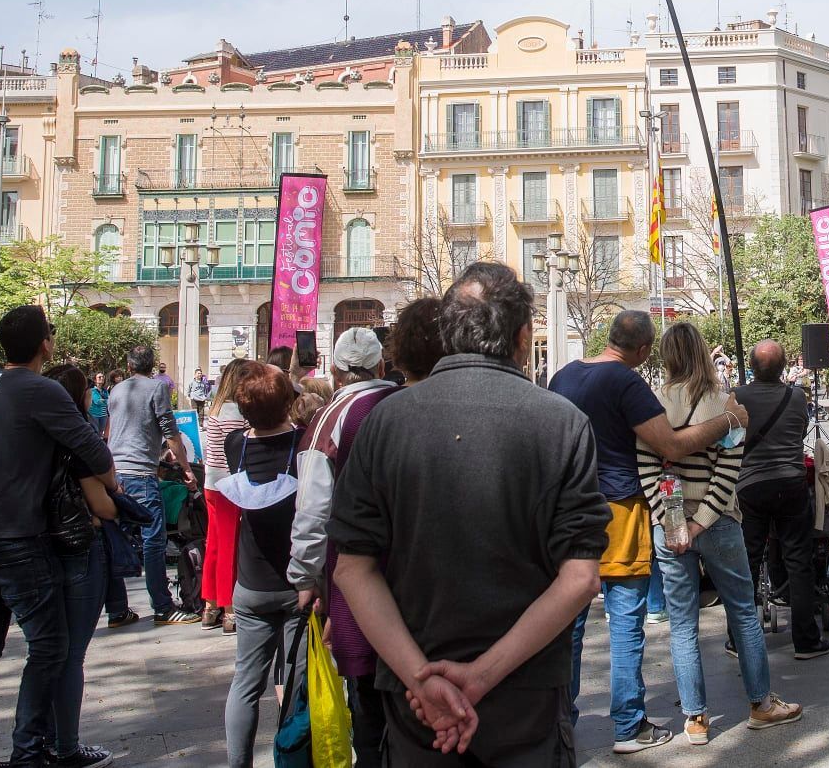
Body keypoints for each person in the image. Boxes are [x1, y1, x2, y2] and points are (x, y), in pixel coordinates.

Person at [331, 262, 611, 766]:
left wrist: (420, 677)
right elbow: (580, 578)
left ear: (447, 331)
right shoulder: (562, 423)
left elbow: (352, 568)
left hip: (415, 700)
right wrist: (480, 677)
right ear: (523, 337)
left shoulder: (385, 422)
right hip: (525, 697)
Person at [550, 308, 744, 754]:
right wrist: (728, 420)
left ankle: (560, 719)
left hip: (568, 511)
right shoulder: (627, 383)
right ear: (641, 350)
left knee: (570, 622)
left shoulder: (562, 377)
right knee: (625, 618)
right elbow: (670, 444)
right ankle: (628, 725)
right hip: (619, 508)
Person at [0, 305, 117, 768]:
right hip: (16, 538)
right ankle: (28, 753)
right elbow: (93, 451)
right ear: (45, 344)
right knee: (49, 647)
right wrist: (109, 480)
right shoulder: (39, 388)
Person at [635, 323, 802, 745]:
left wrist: (674, 524)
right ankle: (761, 704)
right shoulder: (726, 405)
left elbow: (647, 471)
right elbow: (729, 472)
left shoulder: (652, 404)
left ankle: (695, 718)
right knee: (742, 612)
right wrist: (702, 521)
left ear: (667, 356)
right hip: (720, 522)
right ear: (702, 354)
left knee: (682, 624)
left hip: (670, 528)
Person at [288, 324, 401, 768]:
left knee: (368, 706)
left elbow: (312, 509)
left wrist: (305, 577)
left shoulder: (329, 420)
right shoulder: (406, 405)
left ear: (335, 371)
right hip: (412, 576)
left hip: (355, 581)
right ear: (381, 365)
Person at [220, 361, 307, 768]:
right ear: (288, 401)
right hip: (298, 583)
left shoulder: (236, 445)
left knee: (245, 683)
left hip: (251, 583)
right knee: (296, 685)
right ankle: (290, 758)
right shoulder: (304, 445)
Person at [40, 363, 118, 768]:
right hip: (79, 544)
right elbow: (104, 503)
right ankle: (65, 746)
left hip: (37, 547)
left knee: (47, 651)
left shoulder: (31, 434)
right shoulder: (77, 437)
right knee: (71, 655)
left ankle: (41, 739)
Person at [736, 338, 829, 659]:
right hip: (790, 483)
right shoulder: (797, 396)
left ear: (752, 367)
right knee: (799, 561)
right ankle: (806, 640)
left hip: (750, 486)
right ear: (782, 368)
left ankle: (739, 639)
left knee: (748, 560)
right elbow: (801, 430)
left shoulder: (737, 396)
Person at [105, 344, 198, 626]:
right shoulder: (157, 388)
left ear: (129, 366)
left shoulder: (116, 390)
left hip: (115, 473)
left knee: (116, 540)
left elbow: (114, 431)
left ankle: (117, 610)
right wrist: (186, 469)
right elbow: (171, 433)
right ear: (152, 366)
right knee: (154, 541)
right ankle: (162, 607)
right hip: (141, 475)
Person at [200, 360, 246, 634]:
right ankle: (229, 609)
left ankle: (210, 604)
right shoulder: (237, 411)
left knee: (214, 543)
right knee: (229, 545)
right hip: (230, 484)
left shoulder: (215, 409)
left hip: (211, 482)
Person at [88, 372, 109, 438]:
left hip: (104, 415)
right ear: (95, 380)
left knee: (101, 433)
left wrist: (104, 400)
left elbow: (109, 401)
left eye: (103, 377)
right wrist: (107, 400)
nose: (102, 378)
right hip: (94, 415)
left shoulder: (105, 391)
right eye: (99, 377)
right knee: (95, 432)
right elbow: (97, 401)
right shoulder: (92, 390)